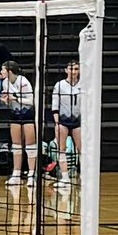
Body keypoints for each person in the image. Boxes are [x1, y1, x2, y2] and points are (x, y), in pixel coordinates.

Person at [0, 60, 36, 186]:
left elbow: (31, 101)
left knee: (30, 146)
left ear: (9, 71)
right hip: (15, 114)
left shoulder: (23, 81)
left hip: (27, 114)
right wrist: (6, 101)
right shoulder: (5, 83)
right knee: (16, 146)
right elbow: (10, 102)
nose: (1, 72)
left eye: (3, 69)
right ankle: (16, 174)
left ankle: (31, 175)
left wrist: (14, 97)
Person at [51, 59, 81, 189]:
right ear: (66, 70)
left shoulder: (83, 85)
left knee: (82, 149)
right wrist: (57, 122)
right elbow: (55, 105)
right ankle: (65, 178)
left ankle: (84, 177)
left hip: (78, 121)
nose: (73, 72)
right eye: (70, 69)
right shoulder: (59, 85)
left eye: (75, 69)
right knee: (61, 149)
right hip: (63, 120)